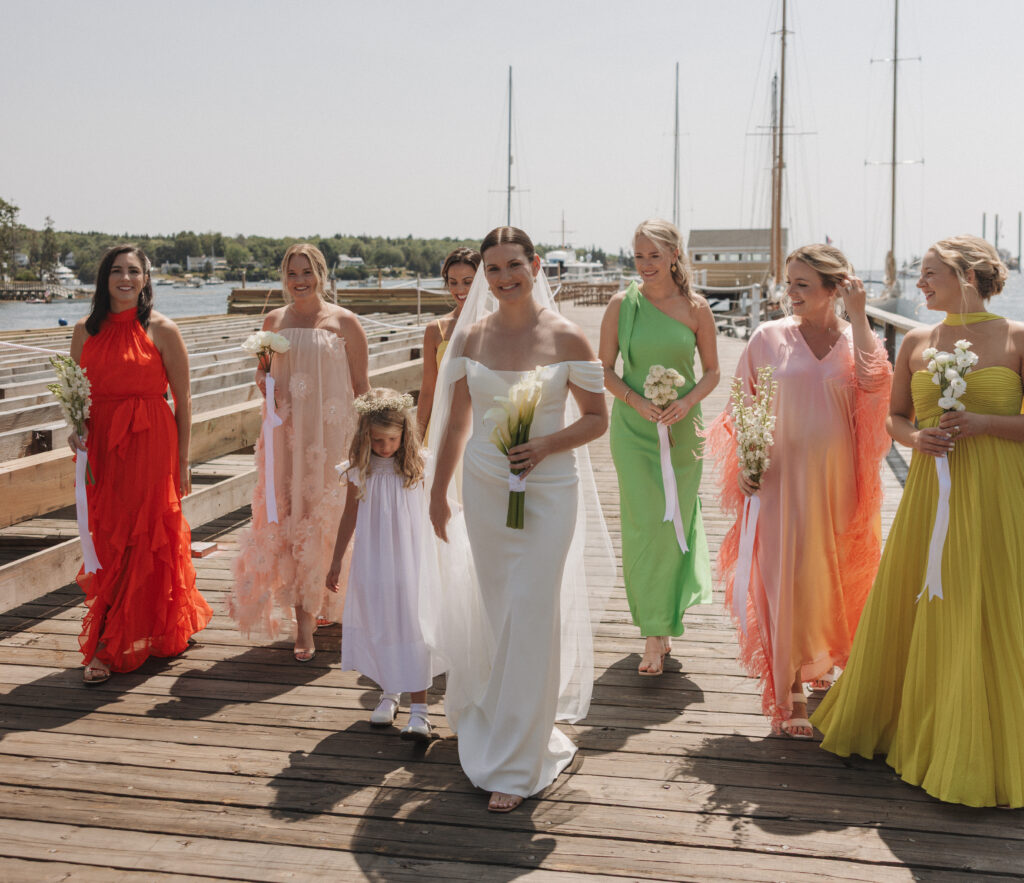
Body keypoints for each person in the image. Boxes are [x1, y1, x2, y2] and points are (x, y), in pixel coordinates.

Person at [813, 236, 1024, 807]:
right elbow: (896, 421)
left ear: (970, 275)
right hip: (933, 492)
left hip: (1002, 494)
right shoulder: (917, 340)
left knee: (994, 601)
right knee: (932, 599)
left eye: (930, 273)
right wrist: (916, 437)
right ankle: (922, 724)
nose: (921, 283)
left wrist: (982, 422)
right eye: (921, 273)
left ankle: (986, 739)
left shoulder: (1017, 338)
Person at [423, 226, 612, 812]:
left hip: (549, 489)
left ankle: (517, 758)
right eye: (494, 269)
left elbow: (597, 419)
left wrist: (547, 445)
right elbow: (455, 424)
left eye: (514, 266)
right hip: (483, 490)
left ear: (534, 266)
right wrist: (437, 493)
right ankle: (501, 716)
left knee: (533, 610)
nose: (504, 278)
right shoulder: (470, 337)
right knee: (500, 608)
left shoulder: (567, 337)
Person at [705, 244, 892, 737]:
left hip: (839, 486)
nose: (791, 293)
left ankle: (829, 664)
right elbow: (740, 407)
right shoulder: (768, 337)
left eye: (803, 285)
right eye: (789, 282)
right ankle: (789, 694)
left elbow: (878, 387)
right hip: (780, 483)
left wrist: (859, 316)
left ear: (834, 290)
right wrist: (746, 465)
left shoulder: (855, 342)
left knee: (829, 578)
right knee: (781, 578)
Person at [68, 245, 212, 684]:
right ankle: (151, 627)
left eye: (134, 271)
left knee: (145, 536)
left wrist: (183, 460)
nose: (125, 278)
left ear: (146, 279)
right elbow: (77, 397)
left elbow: (184, 400)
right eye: (117, 271)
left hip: (152, 443)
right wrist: (74, 428)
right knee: (110, 539)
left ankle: (109, 647)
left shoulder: (163, 329)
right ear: (104, 278)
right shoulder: (83, 330)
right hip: (105, 450)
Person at [230, 243, 369, 661]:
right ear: (283, 277)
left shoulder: (345, 323)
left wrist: (369, 444)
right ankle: (302, 623)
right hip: (286, 437)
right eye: (292, 273)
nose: (299, 281)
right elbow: (264, 372)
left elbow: (362, 388)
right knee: (291, 515)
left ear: (322, 275)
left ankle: (331, 602)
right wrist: (262, 379)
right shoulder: (273, 322)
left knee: (325, 516)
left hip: (331, 440)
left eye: (307, 272)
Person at [599, 219, 719, 676]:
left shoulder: (696, 308)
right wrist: (635, 401)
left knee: (675, 523)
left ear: (674, 255)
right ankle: (652, 632)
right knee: (646, 523)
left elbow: (711, 373)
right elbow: (604, 369)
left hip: (684, 429)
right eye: (638, 255)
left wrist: (686, 403)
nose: (645, 264)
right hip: (634, 429)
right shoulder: (619, 305)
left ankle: (663, 622)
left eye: (653, 255)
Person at [326, 388, 436, 741]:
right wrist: (336, 561)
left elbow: (435, 510)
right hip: (374, 558)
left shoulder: (419, 464)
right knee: (383, 618)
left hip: (410, 558)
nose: (385, 447)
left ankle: (420, 708)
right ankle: (389, 692)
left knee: (412, 621)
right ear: (365, 435)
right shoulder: (360, 469)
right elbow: (348, 515)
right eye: (377, 440)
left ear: (405, 433)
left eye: (391, 439)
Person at [417, 247, 481, 440]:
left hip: (482, 424)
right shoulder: (435, 330)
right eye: (453, 282)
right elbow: (428, 390)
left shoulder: (499, 326)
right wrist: (416, 439)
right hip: (441, 424)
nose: (460, 290)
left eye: (468, 282)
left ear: (481, 282)